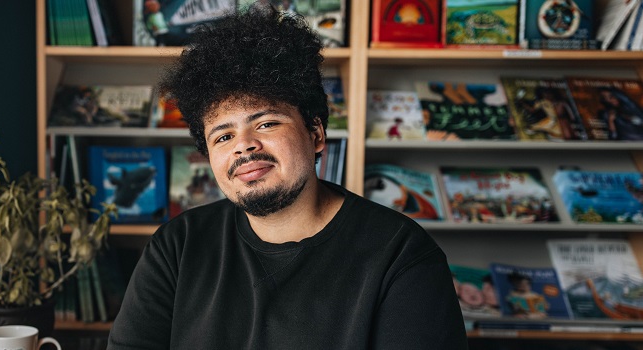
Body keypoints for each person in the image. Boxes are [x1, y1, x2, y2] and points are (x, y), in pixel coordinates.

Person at [107, 5, 467, 349]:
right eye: (223, 136)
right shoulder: (177, 246)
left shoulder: (400, 255)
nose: (244, 147)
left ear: (316, 134)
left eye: (266, 123)